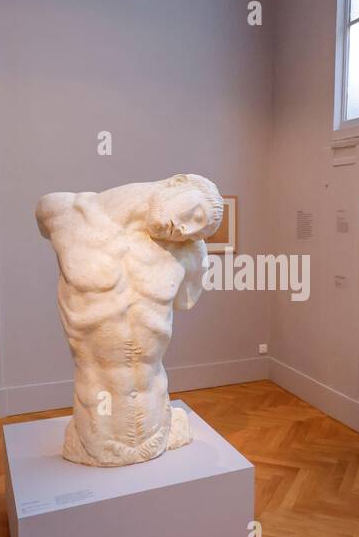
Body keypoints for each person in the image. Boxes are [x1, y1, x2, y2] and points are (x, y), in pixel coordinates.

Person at [37, 174, 223, 467]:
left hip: (156, 415)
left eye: (197, 231)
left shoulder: (187, 251)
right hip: (97, 419)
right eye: (195, 215)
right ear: (177, 182)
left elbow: (185, 301)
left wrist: (197, 249)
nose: (185, 229)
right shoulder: (63, 212)